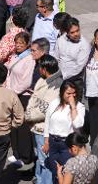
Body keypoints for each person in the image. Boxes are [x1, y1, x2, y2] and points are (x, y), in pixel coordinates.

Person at [26, 54, 63, 184]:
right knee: (40, 158)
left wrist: (27, 115)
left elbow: (43, 110)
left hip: (43, 130)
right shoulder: (45, 80)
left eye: (39, 67)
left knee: (45, 162)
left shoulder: (55, 87)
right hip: (37, 127)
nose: (38, 69)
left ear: (44, 69)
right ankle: (39, 179)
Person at [5, 31, 37, 168]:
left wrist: (14, 92)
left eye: (21, 43)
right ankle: (16, 152)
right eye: (16, 43)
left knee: (23, 127)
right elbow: (9, 73)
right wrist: (7, 87)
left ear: (27, 44)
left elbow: (26, 81)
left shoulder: (30, 59)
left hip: (23, 96)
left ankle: (26, 156)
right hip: (12, 93)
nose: (18, 45)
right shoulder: (15, 56)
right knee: (13, 125)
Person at [44, 81, 86, 182]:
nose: (72, 96)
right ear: (62, 93)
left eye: (74, 93)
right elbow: (47, 121)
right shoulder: (54, 103)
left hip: (67, 145)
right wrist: (46, 141)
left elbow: (78, 124)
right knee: (55, 172)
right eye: (68, 93)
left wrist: (73, 106)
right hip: (53, 142)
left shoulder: (79, 106)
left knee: (67, 173)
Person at [53, 17, 90, 82]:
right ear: (67, 32)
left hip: (74, 80)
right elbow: (56, 57)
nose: (76, 34)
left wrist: (62, 77)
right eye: (72, 32)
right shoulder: (60, 40)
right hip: (57, 75)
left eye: (77, 30)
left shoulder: (84, 45)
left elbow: (79, 67)